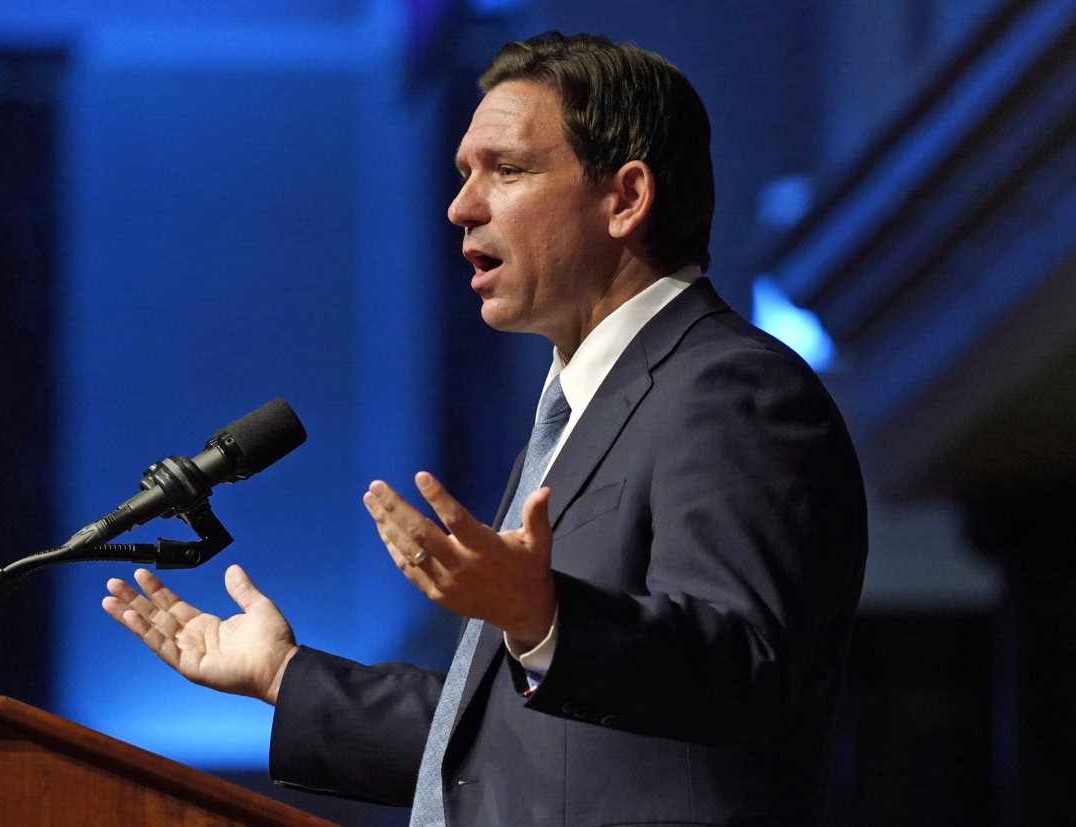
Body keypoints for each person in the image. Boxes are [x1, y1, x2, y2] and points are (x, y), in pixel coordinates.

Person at [103, 31, 867, 826]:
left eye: (506, 170)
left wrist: (546, 616)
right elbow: (503, 743)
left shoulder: (728, 388)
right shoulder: (578, 409)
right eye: (465, 173)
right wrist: (283, 675)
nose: (461, 206)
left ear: (625, 199)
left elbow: (746, 669)